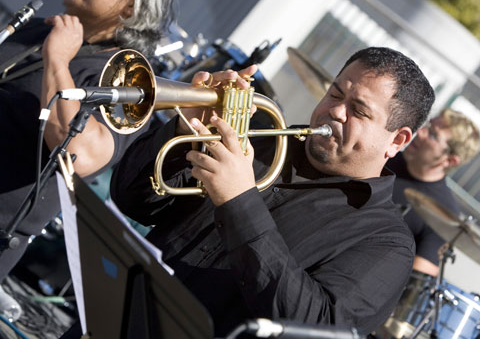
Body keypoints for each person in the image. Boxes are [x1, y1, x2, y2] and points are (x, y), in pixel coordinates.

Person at [110, 46, 436, 336]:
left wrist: (239, 202)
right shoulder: (258, 144)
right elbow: (132, 199)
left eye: (359, 111)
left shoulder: (387, 244)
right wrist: (186, 128)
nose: (336, 111)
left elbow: (316, 326)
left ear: (397, 140)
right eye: (335, 95)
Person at [0, 0, 176, 319]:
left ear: (131, 7)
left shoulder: (125, 83)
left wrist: (58, 63)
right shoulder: (44, 30)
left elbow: (78, 156)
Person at [386, 108, 480, 277]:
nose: (420, 132)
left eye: (433, 135)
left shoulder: (443, 215)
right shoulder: (384, 154)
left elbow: (416, 282)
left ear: (450, 160)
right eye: (428, 125)